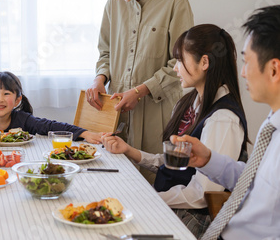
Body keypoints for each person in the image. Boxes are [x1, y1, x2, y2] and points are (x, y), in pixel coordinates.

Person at [101, 24, 248, 238]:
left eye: (180, 60)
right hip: (170, 205)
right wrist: (129, 151)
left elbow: (203, 193)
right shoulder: (189, 103)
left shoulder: (223, 119)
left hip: (191, 219)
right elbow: (175, 164)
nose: (176, 68)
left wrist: (150, 197)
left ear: (204, 62)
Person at [86, 0, 194, 179]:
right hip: (118, 111)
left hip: (159, 112)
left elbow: (180, 64)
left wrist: (139, 91)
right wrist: (99, 79)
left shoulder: (176, 3)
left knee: (154, 178)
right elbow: (105, 52)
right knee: (115, 177)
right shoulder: (113, 6)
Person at [175, 6, 280, 240]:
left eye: (247, 62)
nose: (242, 73)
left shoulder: (225, 116)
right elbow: (256, 179)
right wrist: (210, 160)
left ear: (273, 69)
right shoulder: (273, 123)